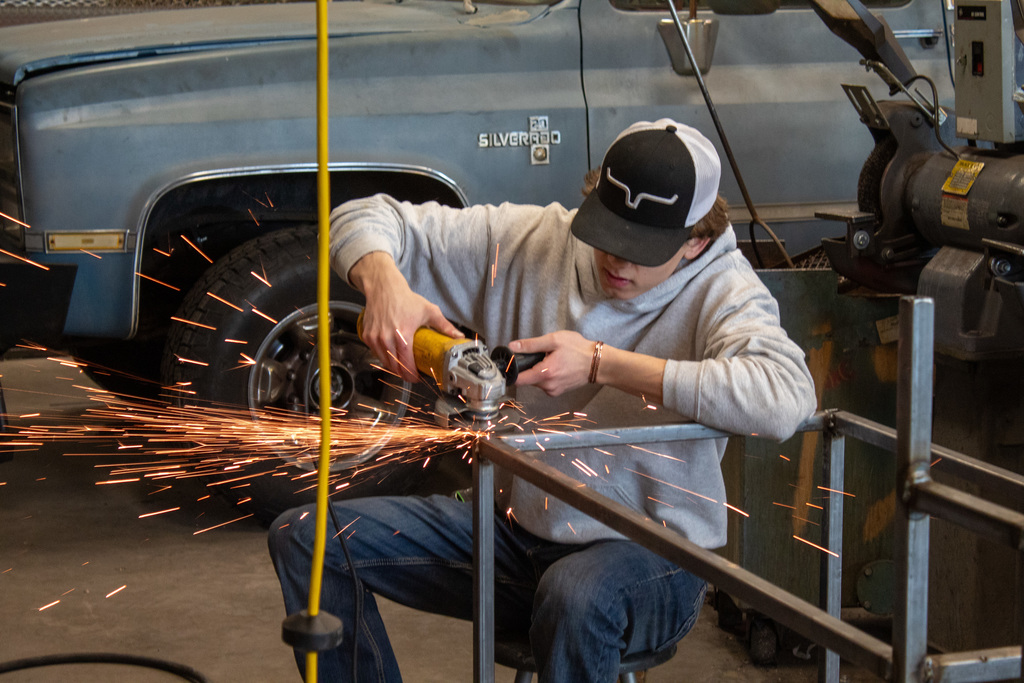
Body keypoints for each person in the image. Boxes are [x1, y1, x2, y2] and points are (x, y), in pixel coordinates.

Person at [268, 119, 816, 682]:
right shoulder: (533, 239)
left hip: (653, 559)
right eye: (608, 232)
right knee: (308, 539)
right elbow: (360, 217)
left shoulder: (724, 288)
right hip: (518, 539)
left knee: (577, 593)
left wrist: (602, 362)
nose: (617, 261)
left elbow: (785, 397)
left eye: (640, 248)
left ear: (695, 240)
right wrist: (385, 285)